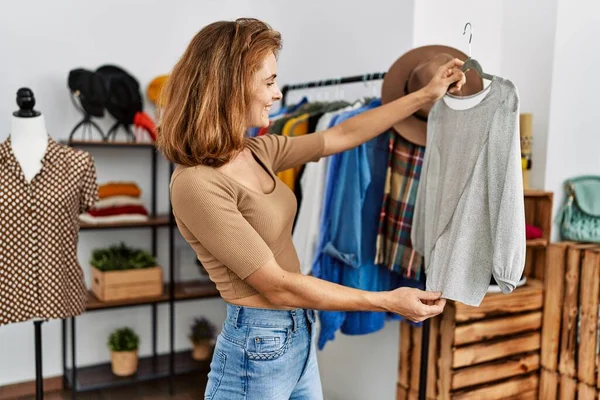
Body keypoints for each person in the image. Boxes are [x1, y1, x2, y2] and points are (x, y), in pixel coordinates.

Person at [157, 17, 466, 400]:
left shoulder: (258, 151)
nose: (277, 94)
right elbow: (277, 286)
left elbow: (342, 134)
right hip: (257, 350)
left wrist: (423, 97)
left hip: (299, 333)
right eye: (269, 82)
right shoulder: (196, 184)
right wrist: (386, 301)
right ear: (231, 86)